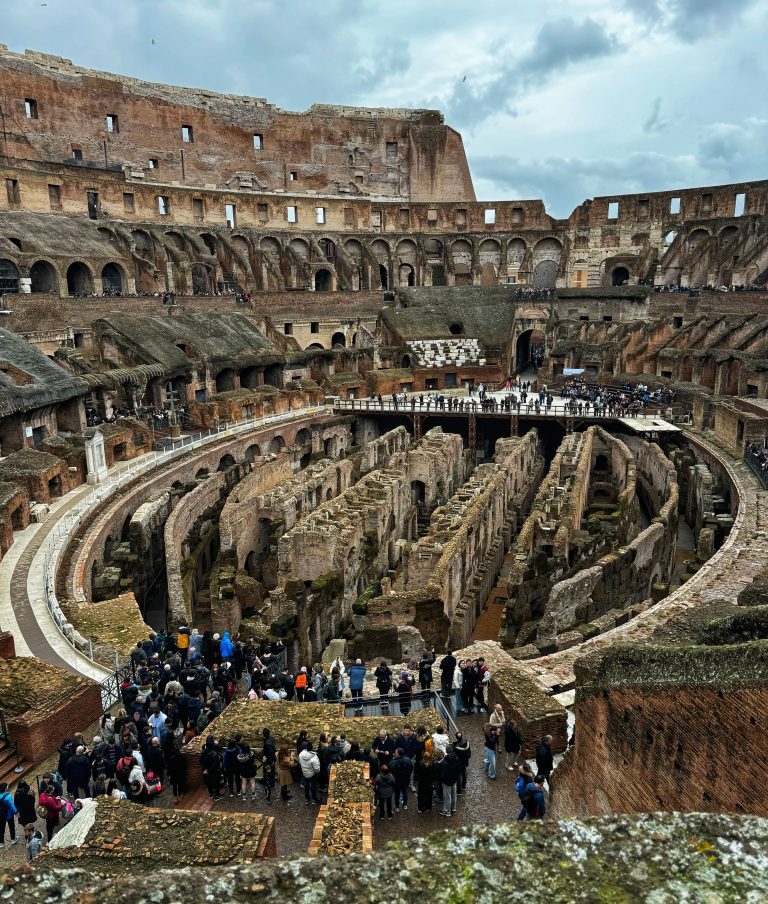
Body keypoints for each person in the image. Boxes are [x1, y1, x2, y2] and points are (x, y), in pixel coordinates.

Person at [439, 745, 460, 817]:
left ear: (446, 751)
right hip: (454, 779)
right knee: (454, 794)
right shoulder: (456, 758)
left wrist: (442, 780)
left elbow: (443, 774)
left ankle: (447, 811)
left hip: (447, 781)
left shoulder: (445, 761)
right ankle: (453, 808)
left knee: (447, 796)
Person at [200, 736, 223, 802]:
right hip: (214, 771)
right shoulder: (214, 752)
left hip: (206, 770)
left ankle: (211, 794)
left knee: (209, 783)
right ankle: (217, 795)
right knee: (216, 782)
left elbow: (201, 761)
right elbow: (215, 764)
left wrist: (204, 769)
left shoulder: (204, 751)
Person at [390, 747, 413, 812]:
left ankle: (397, 807)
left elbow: (391, 771)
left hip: (397, 780)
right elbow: (411, 768)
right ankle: (405, 804)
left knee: (397, 793)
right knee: (405, 791)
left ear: (398, 753)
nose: (394, 753)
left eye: (395, 752)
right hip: (406, 779)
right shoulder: (408, 759)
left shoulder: (394, 762)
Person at [0, 782, 18, 847]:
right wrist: (16, 812)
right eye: (7, 786)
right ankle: (13, 839)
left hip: (1, 814)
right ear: (5, 789)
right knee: (11, 826)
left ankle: (1, 842)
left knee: (1, 828)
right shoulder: (8, 796)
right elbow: (11, 806)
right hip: (9, 814)